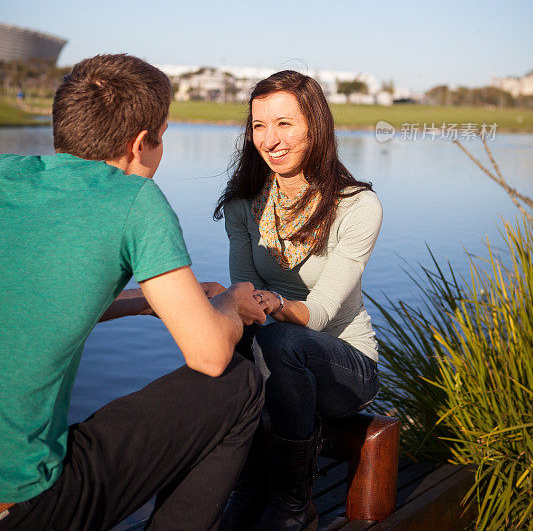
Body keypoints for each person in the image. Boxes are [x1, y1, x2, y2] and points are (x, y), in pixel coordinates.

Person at [0, 53, 266, 531]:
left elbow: (32, 299)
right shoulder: (134, 198)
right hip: (21, 509)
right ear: (142, 143)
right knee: (238, 384)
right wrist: (231, 302)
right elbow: (208, 355)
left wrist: (147, 303)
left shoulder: (7, 174)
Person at [214, 70, 383, 531]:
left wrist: (269, 303)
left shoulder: (357, 206)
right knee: (221, 339)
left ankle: (293, 502)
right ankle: (245, 488)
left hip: (344, 366)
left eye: (284, 123)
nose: (270, 139)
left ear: (316, 125)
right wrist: (225, 303)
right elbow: (243, 292)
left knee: (283, 341)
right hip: (275, 355)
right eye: (259, 126)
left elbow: (322, 312)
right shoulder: (242, 203)